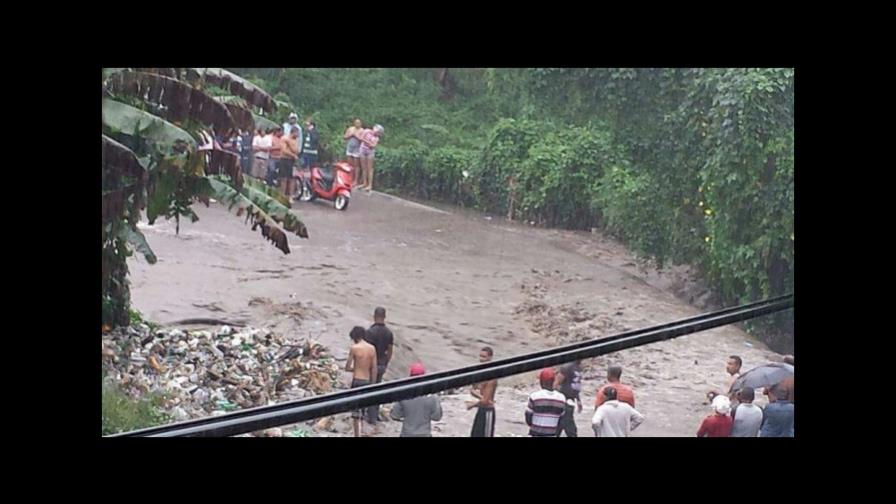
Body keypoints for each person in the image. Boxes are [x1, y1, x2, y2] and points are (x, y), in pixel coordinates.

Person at [389, 363, 443, 437]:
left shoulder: (404, 395)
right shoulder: (432, 396)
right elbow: (437, 417)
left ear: (410, 377)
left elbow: (394, 415)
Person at [363, 307, 394, 425]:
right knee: (378, 388)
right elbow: (390, 350)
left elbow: (368, 350)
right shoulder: (389, 333)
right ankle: (375, 414)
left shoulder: (369, 332)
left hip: (372, 365)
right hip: (382, 364)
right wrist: (386, 362)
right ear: (384, 317)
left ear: (374, 316)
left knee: (369, 389)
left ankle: (370, 416)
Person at [345, 326, 377, 438]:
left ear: (354, 337)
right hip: (367, 380)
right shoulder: (372, 348)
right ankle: (362, 430)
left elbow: (347, 367)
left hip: (357, 380)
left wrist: (356, 367)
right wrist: (373, 383)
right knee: (363, 410)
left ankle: (357, 434)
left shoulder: (354, 348)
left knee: (355, 412)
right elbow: (374, 368)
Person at [525, 368, 567, 437]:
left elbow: (528, 418)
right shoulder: (561, 398)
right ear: (553, 381)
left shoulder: (534, 396)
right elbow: (561, 421)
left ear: (541, 381)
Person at [468, 346, 497, 437]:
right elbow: (476, 390)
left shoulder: (491, 377)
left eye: (484, 357)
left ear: (490, 357)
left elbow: (485, 401)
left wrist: (472, 405)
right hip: (481, 409)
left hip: (488, 410)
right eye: (480, 356)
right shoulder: (481, 373)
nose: (481, 359)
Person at [554, 359, 583, 437]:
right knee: (570, 427)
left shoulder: (578, 368)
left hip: (570, 400)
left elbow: (575, 386)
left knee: (558, 426)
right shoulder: (566, 367)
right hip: (563, 401)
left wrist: (578, 400)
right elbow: (556, 384)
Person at [356, 124, 384, 191]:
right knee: (364, 168)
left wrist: (366, 141)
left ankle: (370, 185)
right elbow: (361, 138)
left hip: (370, 152)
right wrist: (368, 142)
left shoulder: (376, 138)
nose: (377, 132)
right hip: (362, 150)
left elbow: (373, 146)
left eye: (379, 132)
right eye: (377, 130)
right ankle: (364, 183)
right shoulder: (367, 131)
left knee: (370, 168)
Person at [280, 126, 300, 197]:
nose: (298, 135)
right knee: (284, 178)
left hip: (292, 161)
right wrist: (293, 155)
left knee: (292, 179)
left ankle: (290, 196)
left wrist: (291, 146)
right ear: (293, 132)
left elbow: (297, 150)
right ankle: (282, 195)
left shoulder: (295, 140)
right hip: (284, 159)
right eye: (297, 133)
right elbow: (284, 150)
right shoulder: (284, 138)